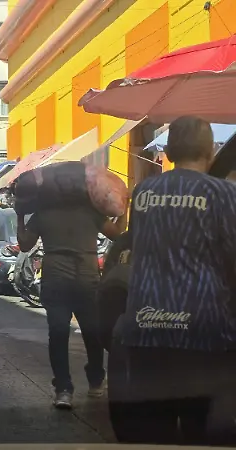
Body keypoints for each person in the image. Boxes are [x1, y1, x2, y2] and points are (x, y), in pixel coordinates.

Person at [108, 116, 236, 445]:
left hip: (147, 326)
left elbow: (137, 245)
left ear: (169, 150)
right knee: (201, 431)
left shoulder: (146, 191)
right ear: (210, 150)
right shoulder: (223, 194)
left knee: (154, 432)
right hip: (204, 331)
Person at [16, 179, 125, 409]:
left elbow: (25, 245)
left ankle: (63, 389)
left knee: (58, 334)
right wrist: (124, 208)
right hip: (87, 280)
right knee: (92, 333)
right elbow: (117, 232)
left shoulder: (43, 213)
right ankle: (96, 380)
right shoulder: (91, 211)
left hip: (56, 282)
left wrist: (19, 217)